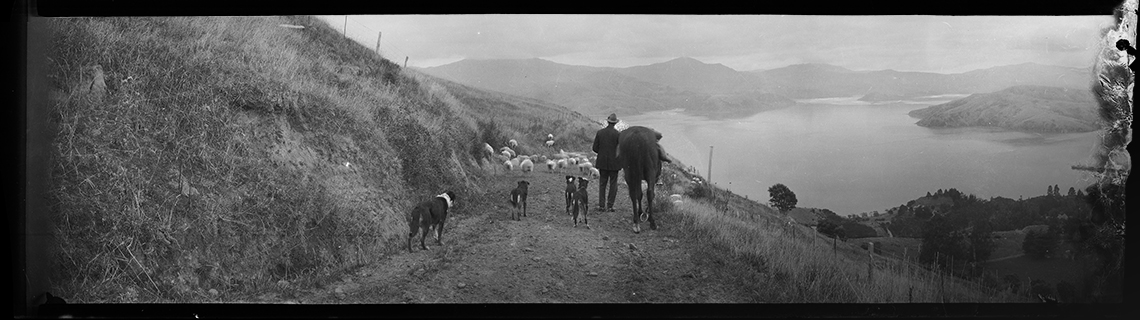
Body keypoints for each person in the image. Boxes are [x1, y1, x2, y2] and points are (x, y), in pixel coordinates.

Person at [592, 113, 622, 212]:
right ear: (615, 123)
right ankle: (610, 206)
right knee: (613, 184)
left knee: (602, 184)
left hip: (602, 162)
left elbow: (595, 148)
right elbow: (620, 150)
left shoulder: (600, 133)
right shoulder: (618, 135)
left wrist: (602, 153)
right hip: (615, 164)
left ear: (607, 122)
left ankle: (601, 205)